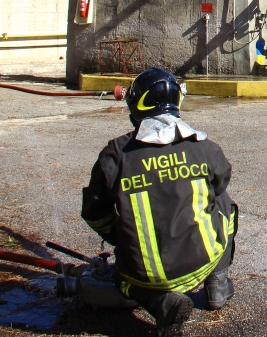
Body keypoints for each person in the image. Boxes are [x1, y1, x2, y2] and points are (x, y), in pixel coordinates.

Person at [82, 68, 237, 337]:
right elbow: (220, 184)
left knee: (122, 279)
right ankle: (217, 283)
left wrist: (122, 237)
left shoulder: (116, 155)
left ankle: (161, 302)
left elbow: (94, 212)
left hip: (142, 275)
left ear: (137, 106)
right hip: (201, 264)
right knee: (225, 202)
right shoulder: (205, 147)